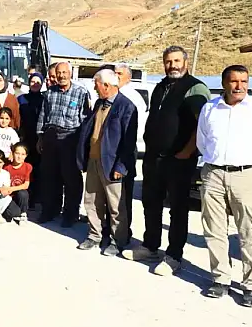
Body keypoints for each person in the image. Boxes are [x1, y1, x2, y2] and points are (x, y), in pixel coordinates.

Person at [196, 64, 252, 308]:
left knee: (249, 231)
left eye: (244, 81)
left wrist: (248, 163)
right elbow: (202, 142)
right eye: (234, 81)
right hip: (213, 174)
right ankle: (220, 278)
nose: (239, 86)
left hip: (247, 175)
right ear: (224, 83)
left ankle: (251, 284)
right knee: (214, 228)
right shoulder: (210, 108)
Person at [122, 45, 211, 275]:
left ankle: (173, 256)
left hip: (178, 160)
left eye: (176, 61)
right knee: (151, 203)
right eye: (168, 61)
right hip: (154, 158)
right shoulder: (160, 87)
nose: (172, 65)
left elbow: (202, 125)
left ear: (185, 63)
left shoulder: (195, 88)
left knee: (177, 209)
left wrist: (187, 151)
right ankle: (150, 246)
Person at [75, 69, 137, 256]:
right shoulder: (99, 103)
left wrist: (121, 166)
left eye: (96, 85)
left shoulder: (126, 106)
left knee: (116, 205)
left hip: (112, 164)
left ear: (107, 86)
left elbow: (129, 141)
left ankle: (118, 240)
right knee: (92, 201)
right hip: (94, 160)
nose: (94, 89)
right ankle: (95, 236)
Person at [36, 62, 91, 227]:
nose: (61, 76)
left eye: (64, 72)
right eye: (58, 73)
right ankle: (50, 210)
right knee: (50, 176)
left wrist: (82, 144)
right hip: (51, 136)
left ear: (70, 73)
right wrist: (40, 137)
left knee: (71, 179)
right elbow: (43, 115)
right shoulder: (49, 93)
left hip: (70, 138)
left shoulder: (81, 93)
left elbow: (85, 119)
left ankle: (70, 214)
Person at [113, 63, 145, 236]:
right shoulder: (112, 94)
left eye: (120, 73)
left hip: (126, 148)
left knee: (124, 194)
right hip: (110, 149)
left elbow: (133, 129)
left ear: (128, 77)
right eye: (114, 73)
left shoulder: (132, 97)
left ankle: (123, 231)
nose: (116, 76)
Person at [18, 72, 44, 209]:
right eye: (33, 81)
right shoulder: (21, 99)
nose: (35, 84)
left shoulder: (45, 99)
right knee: (24, 167)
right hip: (25, 137)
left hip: (39, 138)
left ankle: (36, 198)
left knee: (37, 169)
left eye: (38, 82)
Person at [4, 142, 31, 221]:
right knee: (12, 214)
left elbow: (26, 185)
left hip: (18, 194)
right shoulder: (7, 167)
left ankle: (23, 212)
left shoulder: (27, 166)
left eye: (23, 154)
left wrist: (12, 189)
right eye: (17, 153)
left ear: (26, 156)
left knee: (23, 193)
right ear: (12, 153)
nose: (19, 156)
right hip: (8, 195)